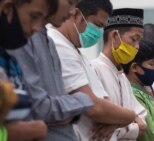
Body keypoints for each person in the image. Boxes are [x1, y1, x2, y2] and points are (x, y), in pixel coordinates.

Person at [47, 0, 137, 140]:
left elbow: (106, 103)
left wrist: (114, 120)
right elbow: (94, 107)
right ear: (76, 14)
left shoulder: (75, 50)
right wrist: (130, 116)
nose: (99, 33)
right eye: (97, 25)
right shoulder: (58, 45)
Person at [0, 0, 58, 140]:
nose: (36, 28)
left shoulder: (10, 60)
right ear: (6, 7)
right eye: (34, 16)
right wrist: (9, 134)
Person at [92, 8, 147, 140]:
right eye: (134, 39)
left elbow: (143, 122)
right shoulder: (94, 70)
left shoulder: (122, 77)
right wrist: (130, 123)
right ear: (115, 36)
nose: (137, 46)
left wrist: (116, 124)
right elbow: (100, 126)